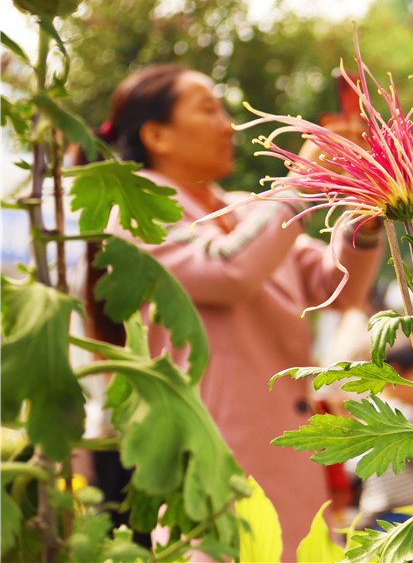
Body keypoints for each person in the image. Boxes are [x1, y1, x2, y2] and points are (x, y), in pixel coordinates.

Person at [86, 63, 383, 560]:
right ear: (157, 134)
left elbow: (337, 285)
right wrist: (300, 183)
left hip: (291, 467)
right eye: (209, 109)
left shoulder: (250, 208)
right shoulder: (136, 219)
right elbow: (226, 271)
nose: (229, 125)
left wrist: (366, 205)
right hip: (212, 474)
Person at [352, 337, 413, 530]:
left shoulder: (375, 409)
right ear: (396, 373)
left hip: (389, 514)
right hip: (397, 515)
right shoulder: (393, 414)